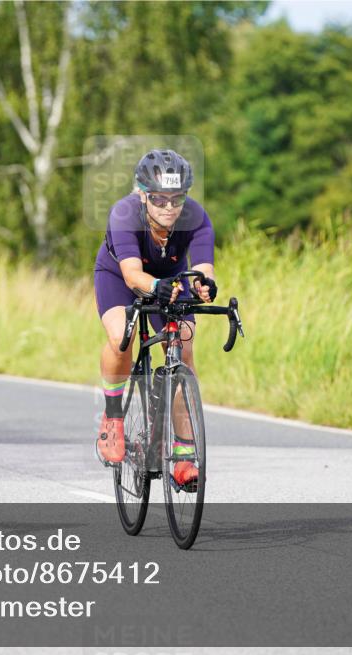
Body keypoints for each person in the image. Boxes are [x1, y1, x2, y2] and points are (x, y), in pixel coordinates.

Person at [93, 149, 218, 487]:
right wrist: (157, 286)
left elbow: (202, 268)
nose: (169, 208)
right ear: (143, 194)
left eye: (177, 199)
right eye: (160, 200)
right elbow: (133, 276)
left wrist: (203, 284)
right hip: (120, 278)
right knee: (123, 336)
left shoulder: (196, 216)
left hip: (172, 282)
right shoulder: (124, 214)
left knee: (185, 349)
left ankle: (182, 453)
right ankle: (113, 416)